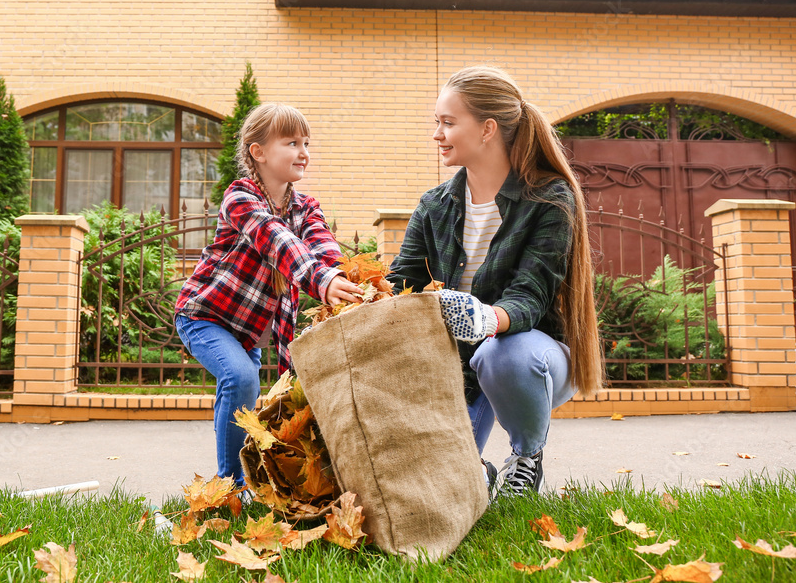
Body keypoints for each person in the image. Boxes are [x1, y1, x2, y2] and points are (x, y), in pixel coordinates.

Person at [386, 65, 602, 495]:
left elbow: (531, 293)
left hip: (529, 357)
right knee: (435, 486)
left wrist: (486, 320)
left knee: (503, 355)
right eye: (437, 123)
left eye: (448, 123)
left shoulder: (549, 198)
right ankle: (476, 472)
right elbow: (400, 286)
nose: (437, 134)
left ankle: (525, 458)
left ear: (487, 129)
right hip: (456, 369)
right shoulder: (434, 206)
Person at [174, 103, 363, 487]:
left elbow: (323, 247)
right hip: (204, 316)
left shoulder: (306, 207)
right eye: (291, 142)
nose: (303, 151)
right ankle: (231, 486)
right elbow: (275, 239)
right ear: (258, 152)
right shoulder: (239, 197)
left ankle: (252, 480)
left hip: (252, 329)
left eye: (306, 142)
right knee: (242, 379)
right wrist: (318, 279)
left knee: (249, 391)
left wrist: (339, 278)